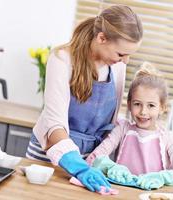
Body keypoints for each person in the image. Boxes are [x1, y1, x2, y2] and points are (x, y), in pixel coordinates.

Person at [25, 5, 143, 192]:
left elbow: (110, 119)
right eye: (121, 54)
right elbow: (54, 123)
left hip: (89, 163)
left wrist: (98, 163)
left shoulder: (117, 66)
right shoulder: (62, 59)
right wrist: (78, 167)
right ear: (102, 38)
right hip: (49, 157)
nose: (126, 61)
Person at [86, 62, 173, 190]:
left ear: (162, 108)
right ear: (129, 104)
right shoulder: (122, 129)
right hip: (121, 194)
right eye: (137, 104)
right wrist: (109, 166)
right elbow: (94, 158)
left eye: (151, 105)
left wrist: (162, 177)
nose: (143, 111)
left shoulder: (168, 138)